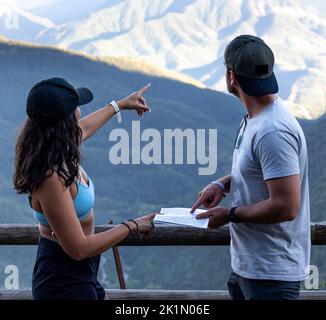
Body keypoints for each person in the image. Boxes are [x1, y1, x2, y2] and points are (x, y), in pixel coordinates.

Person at [13, 77, 156, 300]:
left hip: (82, 273)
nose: (80, 110)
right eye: (76, 107)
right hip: (62, 281)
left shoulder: (57, 147)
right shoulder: (50, 177)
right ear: (67, 119)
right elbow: (78, 249)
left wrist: (120, 105)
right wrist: (132, 225)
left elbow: (86, 127)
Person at [191, 35, 310, 300]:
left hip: (271, 276)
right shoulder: (256, 119)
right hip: (250, 268)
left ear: (231, 76)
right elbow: (259, 172)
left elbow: (286, 206)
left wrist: (230, 214)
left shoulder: (273, 130)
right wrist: (221, 184)